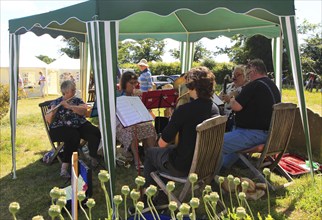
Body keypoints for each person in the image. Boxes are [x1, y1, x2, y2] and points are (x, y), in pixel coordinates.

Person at [143, 66, 219, 189]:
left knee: (151, 153)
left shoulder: (184, 110)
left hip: (184, 166)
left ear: (191, 86)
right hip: (207, 164)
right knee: (169, 152)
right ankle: (162, 195)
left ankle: (149, 200)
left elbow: (162, 144)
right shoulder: (214, 108)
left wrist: (174, 120)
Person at [221, 59, 281, 170]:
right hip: (272, 136)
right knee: (233, 129)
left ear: (253, 71)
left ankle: (207, 172)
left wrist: (232, 98)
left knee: (216, 142)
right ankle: (225, 165)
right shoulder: (273, 86)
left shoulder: (254, 85)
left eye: (248, 73)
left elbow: (236, 107)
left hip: (254, 134)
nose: (248, 77)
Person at [45, 80, 101, 178]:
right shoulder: (56, 102)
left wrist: (70, 106)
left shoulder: (77, 100)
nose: (75, 91)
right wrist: (52, 112)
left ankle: (92, 156)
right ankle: (64, 167)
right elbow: (49, 120)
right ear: (65, 92)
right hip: (60, 128)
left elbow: (84, 111)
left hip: (78, 125)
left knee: (95, 131)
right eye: (73, 90)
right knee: (73, 136)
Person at [116, 70, 157, 170]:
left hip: (137, 121)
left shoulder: (138, 94)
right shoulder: (118, 95)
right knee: (132, 129)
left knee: (150, 127)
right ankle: (136, 160)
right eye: (131, 83)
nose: (134, 85)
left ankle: (151, 156)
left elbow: (143, 111)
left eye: (136, 83)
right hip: (122, 124)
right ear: (124, 83)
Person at [219, 65, 248, 131]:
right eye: (233, 74)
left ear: (245, 76)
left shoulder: (245, 89)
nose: (234, 77)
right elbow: (219, 98)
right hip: (222, 116)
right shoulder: (229, 86)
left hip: (233, 120)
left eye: (238, 75)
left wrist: (230, 100)